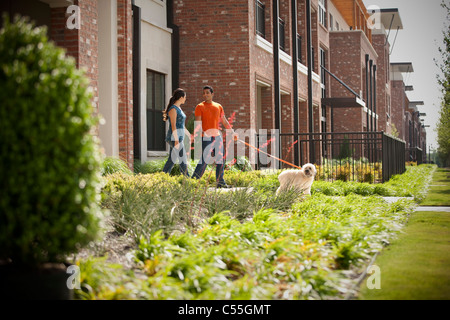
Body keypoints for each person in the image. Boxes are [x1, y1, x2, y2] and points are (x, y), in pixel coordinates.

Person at [191, 85, 236, 188]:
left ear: (212, 94)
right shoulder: (200, 106)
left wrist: (231, 132)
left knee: (220, 160)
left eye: (207, 92)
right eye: (204, 93)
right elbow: (198, 123)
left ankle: (220, 182)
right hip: (206, 137)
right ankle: (194, 181)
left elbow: (224, 121)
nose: (205, 95)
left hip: (217, 136)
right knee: (205, 160)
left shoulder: (218, 106)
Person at [162, 88, 189, 177]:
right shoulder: (173, 109)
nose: (185, 99)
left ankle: (162, 177)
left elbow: (181, 124)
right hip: (174, 138)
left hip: (179, 137)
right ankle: (187, 180)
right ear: (181, 97)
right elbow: (174, 125)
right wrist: (176, 140)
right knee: (183, 159)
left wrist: (188, 134)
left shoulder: (179, 108)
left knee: (172, 160)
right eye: (185, 97)